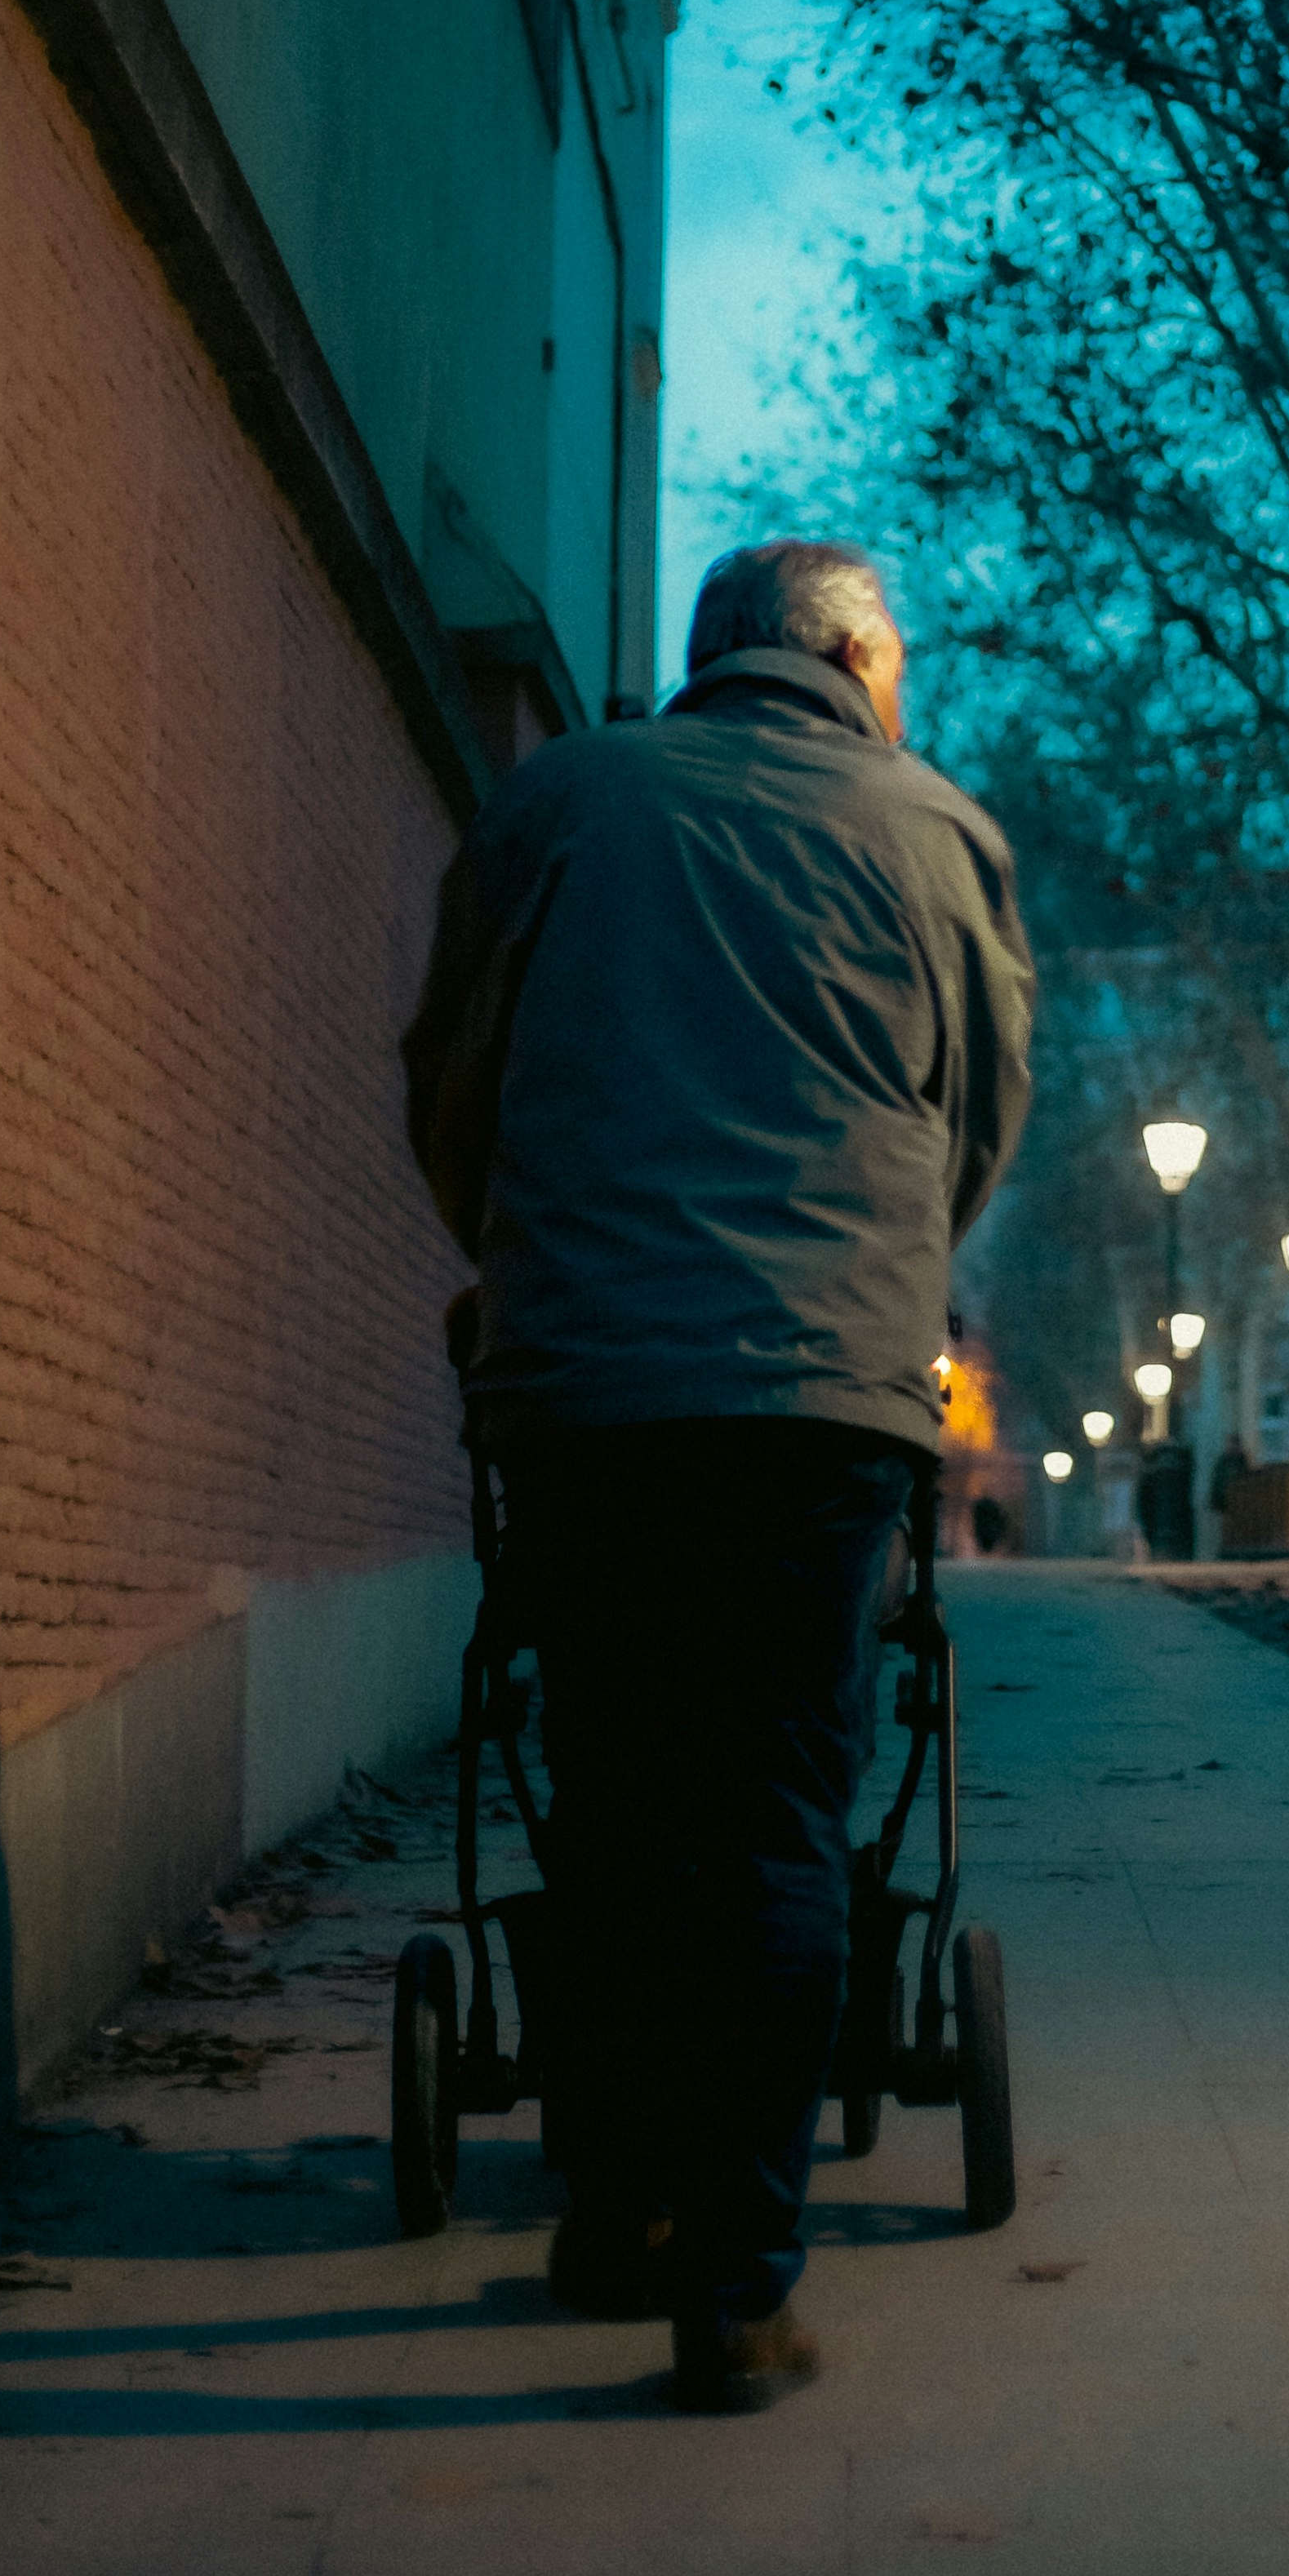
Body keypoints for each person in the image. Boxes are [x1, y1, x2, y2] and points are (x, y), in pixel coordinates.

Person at [402, 535, 1033, 2412]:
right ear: (849, 656)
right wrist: (873, 1293)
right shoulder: (935, 833)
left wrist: (529, 1271)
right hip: (820, 1408)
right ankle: (740, 2289)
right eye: (894, 661)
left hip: (587, 1391)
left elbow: (454, 1080)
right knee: (778, 1812)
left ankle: (613, 2214)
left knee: (609, 1794)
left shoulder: (562, 803)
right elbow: (974, 1126)